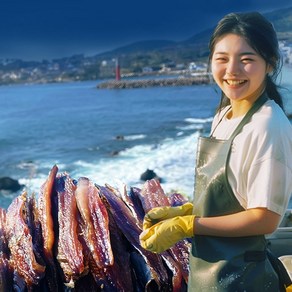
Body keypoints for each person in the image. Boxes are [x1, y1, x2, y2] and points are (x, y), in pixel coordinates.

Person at [140, 12, 292, 291]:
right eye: (222, 58)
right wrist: (185, 211)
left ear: (269, 63)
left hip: (242, 276)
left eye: (247, 60)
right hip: (208, 272)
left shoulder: (269, 125)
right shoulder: (224, 115)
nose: (232, 70)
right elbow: (233, 197)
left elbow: (265, 218)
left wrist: (190, 225)